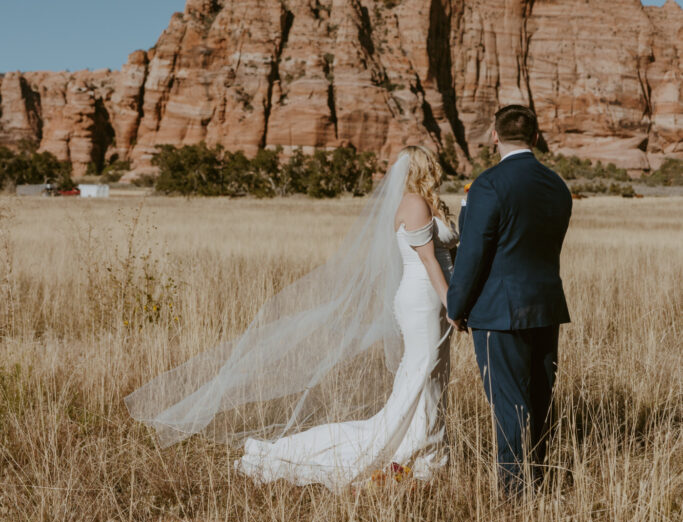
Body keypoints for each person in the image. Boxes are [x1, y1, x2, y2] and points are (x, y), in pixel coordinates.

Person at [125, 145, 459, 490]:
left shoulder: (429, 204)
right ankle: (416, 452)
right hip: (423, 299)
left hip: (435, 299)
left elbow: (448, 257)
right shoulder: (414, 204)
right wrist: (453, 304)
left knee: (432, 376)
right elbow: (429, 261)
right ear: (426, 167)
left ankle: (429, 451)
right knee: (422, 372)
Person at [447, 105, 572, 494]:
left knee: (509, 402)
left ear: (495, 136)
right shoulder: (557, 185)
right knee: (538, 399)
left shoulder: (488, 185)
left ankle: (517, 493)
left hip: (499, 311)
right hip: (546, 305)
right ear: (535, 138)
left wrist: (456, 307)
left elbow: (472, 253)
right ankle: (540, 478)